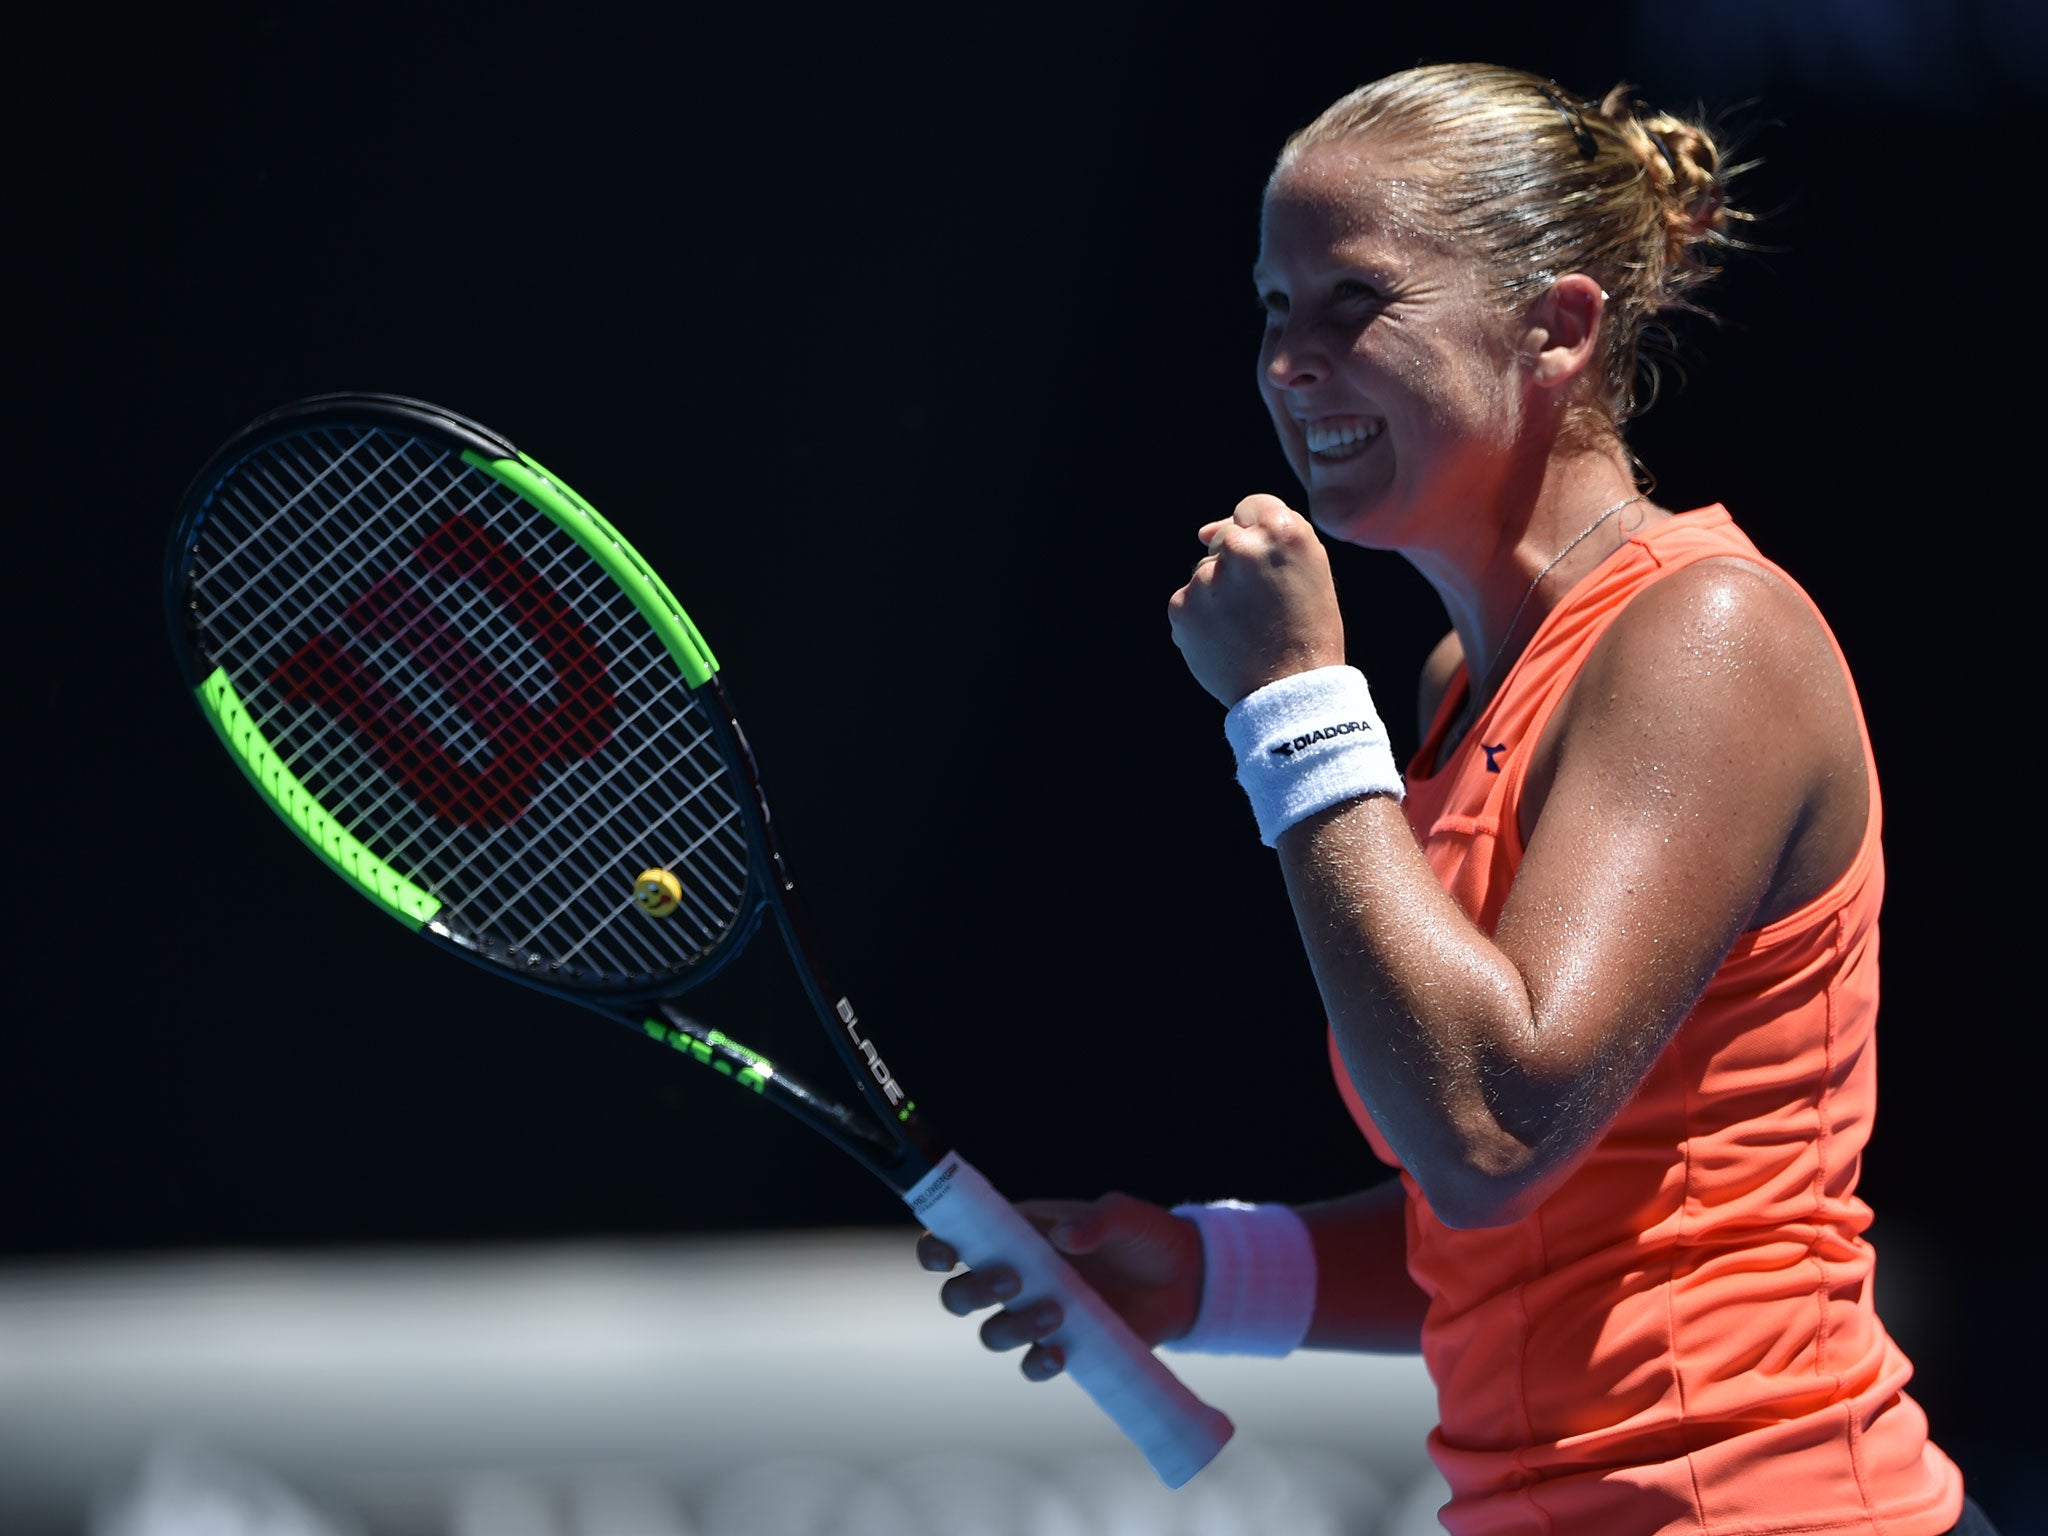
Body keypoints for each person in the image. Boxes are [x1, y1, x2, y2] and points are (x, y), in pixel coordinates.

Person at [918, 62, 1994, 1536]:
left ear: (1555, 327)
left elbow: (1490, 1129)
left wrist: (1294, 704)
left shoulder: (1707, 638)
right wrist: (1208, 1270)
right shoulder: (1455, 684)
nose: (1289, 364)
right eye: (1272, 309)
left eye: (1352, 303)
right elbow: (1523, 1242)